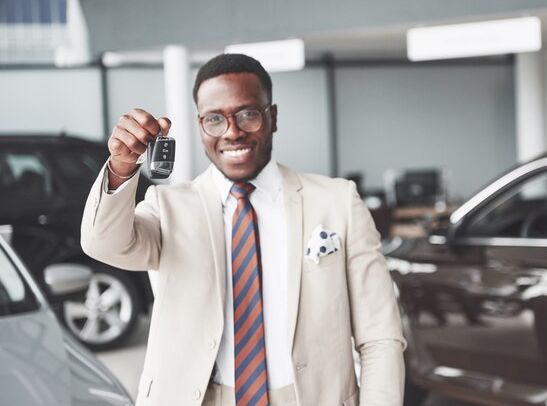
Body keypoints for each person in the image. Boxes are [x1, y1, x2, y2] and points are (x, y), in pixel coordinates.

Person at [81, 53, 405, 406]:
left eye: (248, 114)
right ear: (201, 124)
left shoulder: (337, 201)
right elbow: (103, 244)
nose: (232, 132)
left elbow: (380, 337)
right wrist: (122, 166)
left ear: (273, 117)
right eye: (215, 119)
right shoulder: (167, 207)